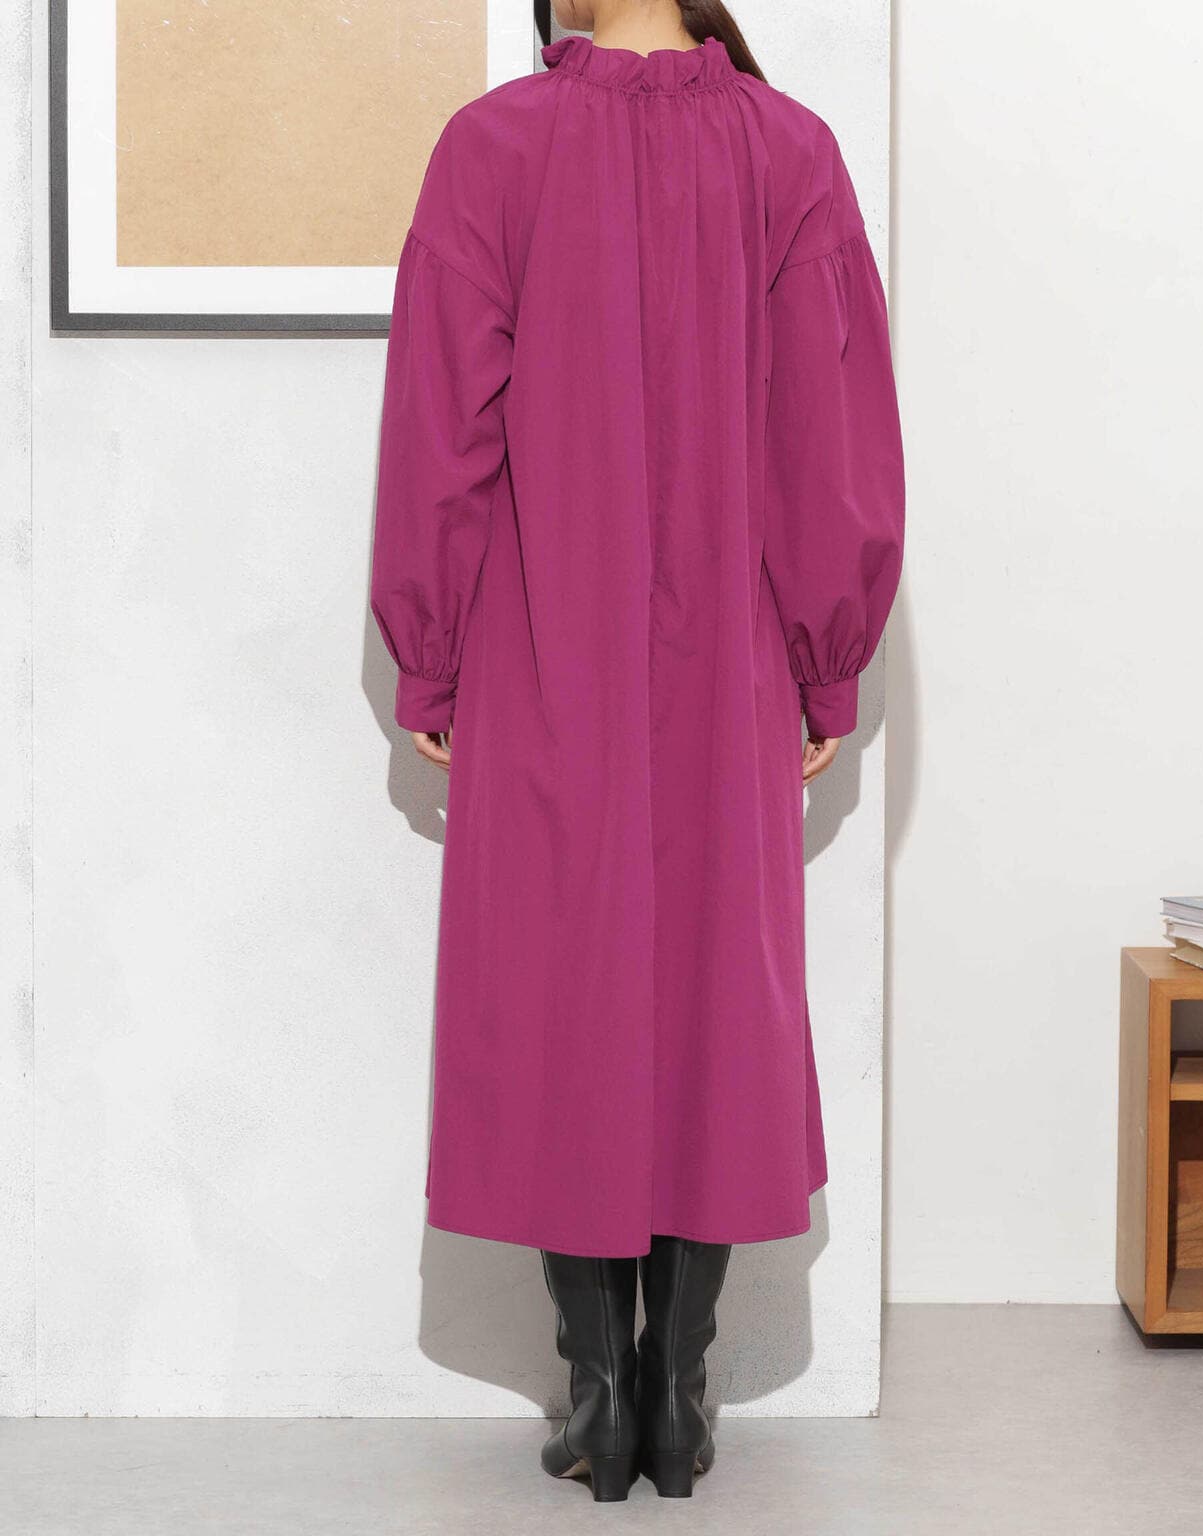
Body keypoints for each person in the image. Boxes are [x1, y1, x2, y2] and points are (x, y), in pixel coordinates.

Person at [370, 0, 905, 1504]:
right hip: (731, 659)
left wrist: (432, 647)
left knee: (567, 992)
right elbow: (832, 442)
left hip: (547, 647)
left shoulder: (494, 149)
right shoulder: (789, 154)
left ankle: (598, 1395)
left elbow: (438, 431)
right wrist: (824, 660)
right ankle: (680, 1393)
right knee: (716, 996)